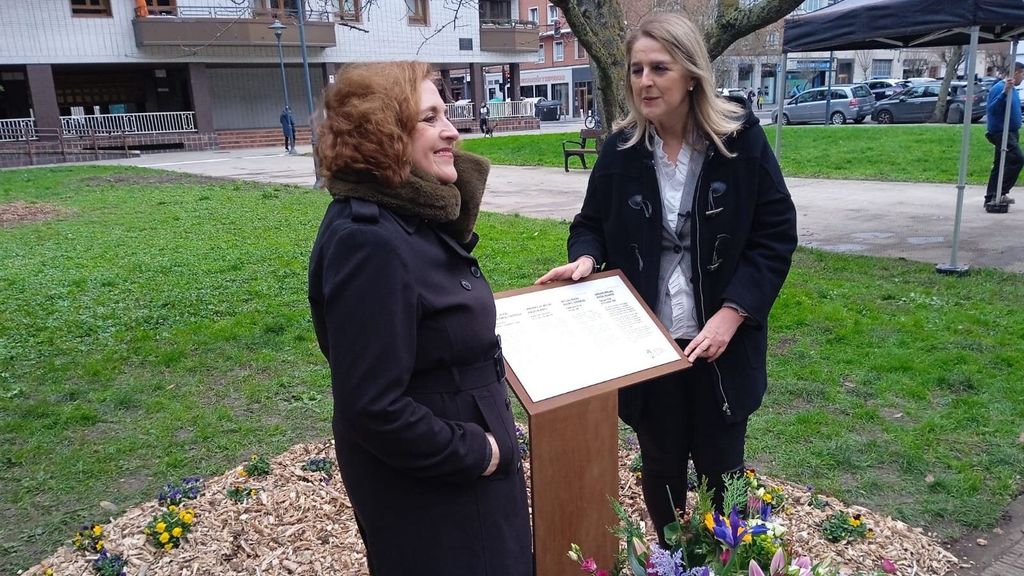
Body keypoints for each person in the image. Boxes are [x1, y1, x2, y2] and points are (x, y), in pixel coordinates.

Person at [536, 13, 797, 546]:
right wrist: (587, 258)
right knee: (659, 461)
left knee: (721, 464)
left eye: (659, 67)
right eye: (636, 70)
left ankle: (724, 555)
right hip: (647, 340)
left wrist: (733, 313)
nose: (644, 82)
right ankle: (672, 555)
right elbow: (590, 225)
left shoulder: (739, 141)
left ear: (692, 73)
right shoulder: (621, 151)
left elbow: (775, 234)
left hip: (719, 342)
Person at [308, 61, 532, 576]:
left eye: (446, 113)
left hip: (463, 481)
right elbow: (372, 407)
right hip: (438, 492)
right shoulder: (367, 240)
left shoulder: (410, 214)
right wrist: (479, 452)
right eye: (430, 118)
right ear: (383, 134)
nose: (452, 130)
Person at [984, 61, 1023, 207]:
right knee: (1017, 159)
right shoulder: (1000, 88)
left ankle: (992, 195)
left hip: (1011, 131)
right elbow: (992, 110)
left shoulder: (1013, 89)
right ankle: (999, 192)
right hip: (1002, 132)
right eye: (1023, 75)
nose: (1023, 79)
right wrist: (1004, 93)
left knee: (1000, 164)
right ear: (1016, 72)